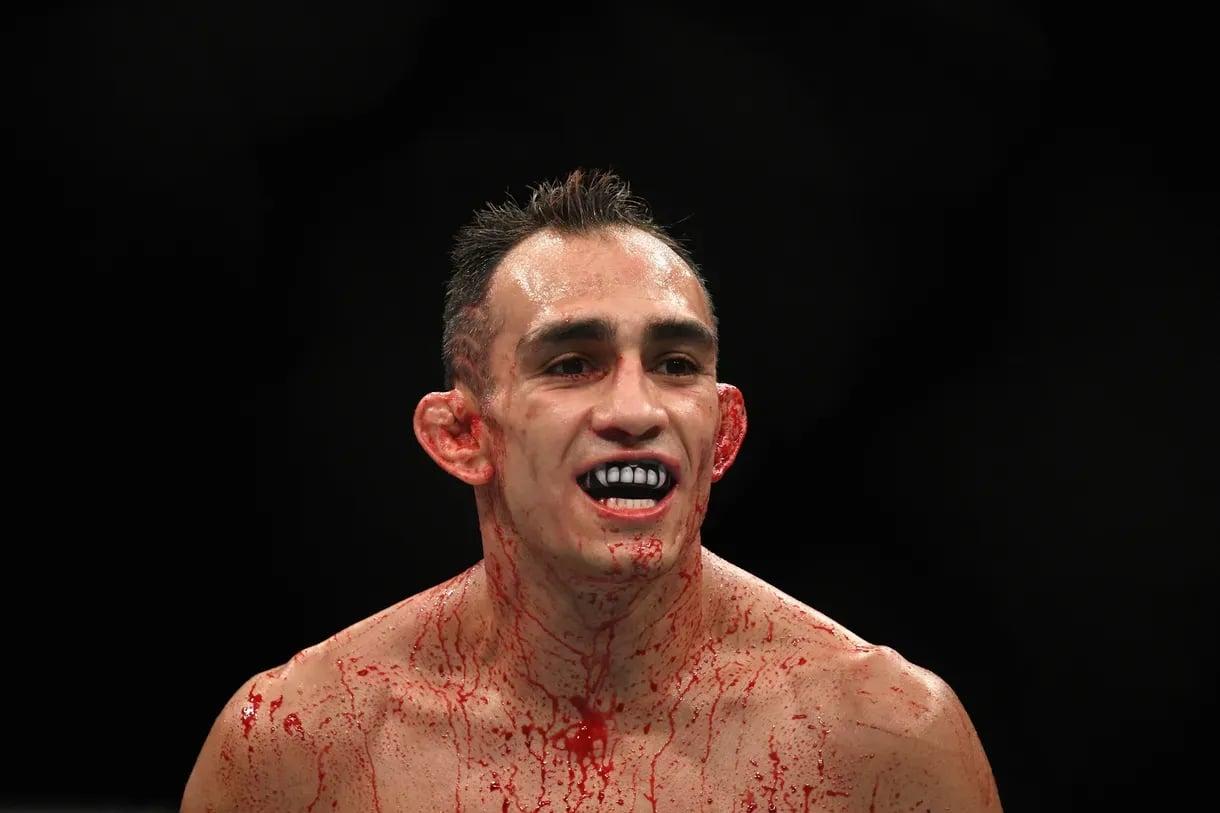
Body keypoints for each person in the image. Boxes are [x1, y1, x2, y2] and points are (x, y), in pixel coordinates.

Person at [183, 169, 1002, 812]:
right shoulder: (301, 744)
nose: (635, 410)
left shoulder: (883, 736)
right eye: (572, 363)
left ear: (722, 434)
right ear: (463, 435)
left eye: (676, 363)